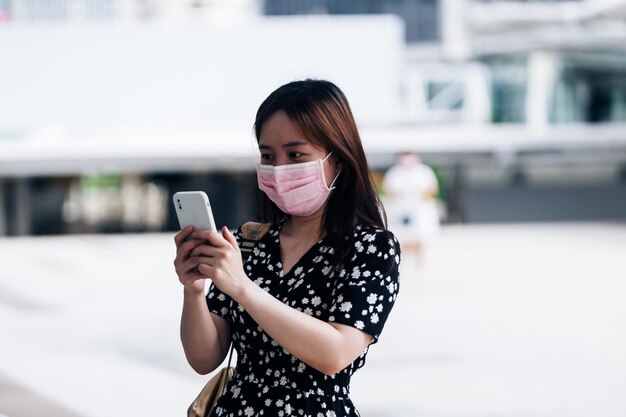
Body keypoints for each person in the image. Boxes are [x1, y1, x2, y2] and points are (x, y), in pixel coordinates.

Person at [174, 79, 401, 417]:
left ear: (337, 158)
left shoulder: (371, 248)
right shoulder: (250, 243)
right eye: (268, 155)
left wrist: (243, 288)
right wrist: (193, 291)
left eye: (296, 154)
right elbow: (203, 359)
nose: (279, 170)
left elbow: (334, 353)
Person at [382, 151, 440, 265]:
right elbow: (389, 190)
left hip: (420, 210)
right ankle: (402, 259)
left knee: (421, 236)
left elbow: (432, 189)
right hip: (400, 209)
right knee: (401, 236)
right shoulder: (394, 172)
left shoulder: (424, 171)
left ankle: (420, 261)